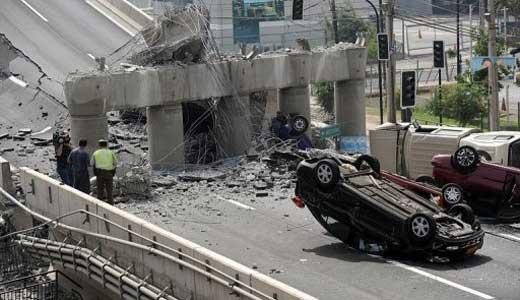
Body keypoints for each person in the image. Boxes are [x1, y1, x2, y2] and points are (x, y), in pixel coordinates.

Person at [91, 139, 117, 205]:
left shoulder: (96, 153)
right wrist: (112, 169)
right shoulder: (111, 152)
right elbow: (116, 163)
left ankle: (100, 205)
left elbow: (91, 163)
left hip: (99, 173)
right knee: (109, 191)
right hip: (109, 173)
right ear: (106, 145)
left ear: (99, 145)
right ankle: (111, 205)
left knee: (100, 190)